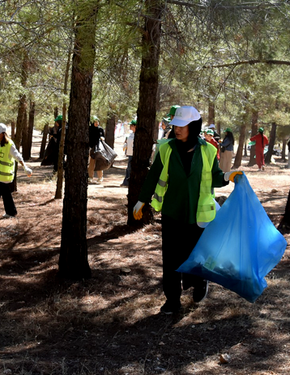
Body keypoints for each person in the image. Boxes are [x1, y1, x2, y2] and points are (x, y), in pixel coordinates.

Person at [132, 105, 243, 315]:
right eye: (176, 125)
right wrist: (142, 200)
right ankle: (172, 300)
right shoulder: (166, 148)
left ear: (194, 126)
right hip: (172, 212)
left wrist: (228, 176)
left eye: (183, 126)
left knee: (195, 255)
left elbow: (216, 177)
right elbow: (154, 175)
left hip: (198, 214)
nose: (178, 129)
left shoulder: (208, 150)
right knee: (172, 258)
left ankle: (199, 281)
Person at [88, 115, 105, 184]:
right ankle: (90, 177)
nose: (97, 123)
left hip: (99, 149)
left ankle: (100, 178)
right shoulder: (89, 129)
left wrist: (102, 138)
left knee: (99, 163)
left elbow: (103, 136)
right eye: (95, 122)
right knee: (91, 163)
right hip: (91, 148)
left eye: (97, 122)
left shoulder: (100, 129)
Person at [120, 120, 136, 187]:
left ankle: (127, 182)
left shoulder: (137, 135)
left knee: (130, 168)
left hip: (133, 154)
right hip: (129, 153)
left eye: (131, 125)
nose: (130, 127)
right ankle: (126, 182)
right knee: (128, 168)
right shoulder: (131, 134)